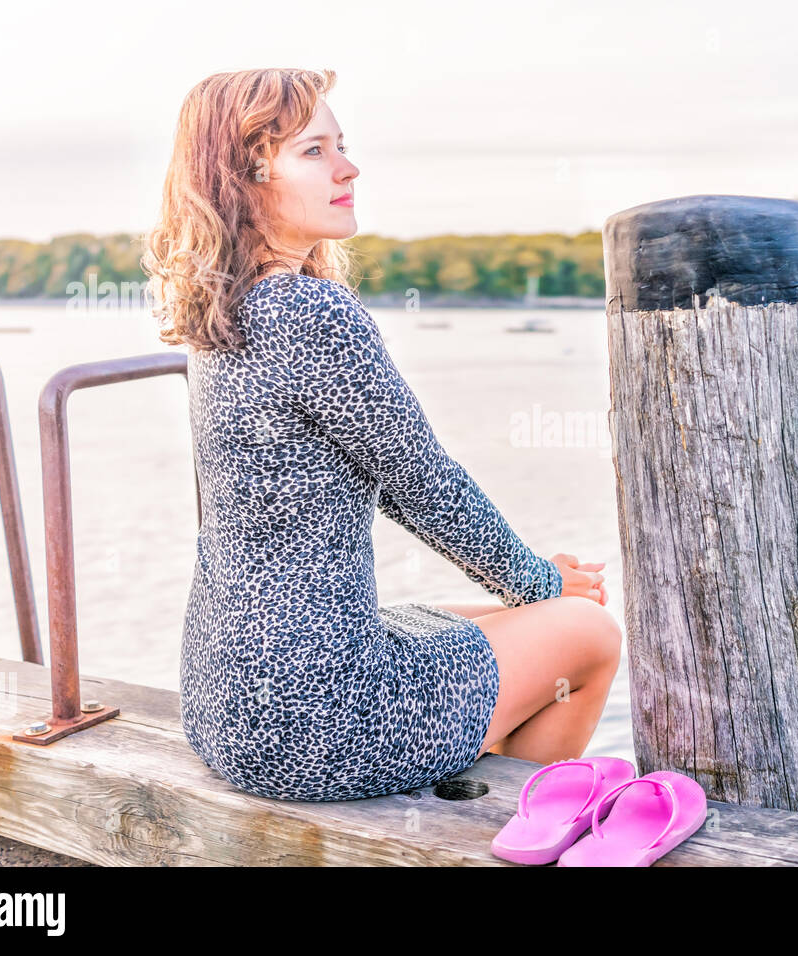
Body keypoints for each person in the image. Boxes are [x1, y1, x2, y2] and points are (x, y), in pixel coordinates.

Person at [141, 68, 620, 801]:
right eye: (314, 151)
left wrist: (529, 591)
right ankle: (513, 825)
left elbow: (385, 472)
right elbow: (423, 482)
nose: (348, 167)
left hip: (228, 703)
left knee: (521, 613)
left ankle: (465, 769)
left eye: (343, 145)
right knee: (587, 637)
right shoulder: (308, 312)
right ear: (246, 175)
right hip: (316, 722)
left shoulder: (225, 311)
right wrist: (544, 586)